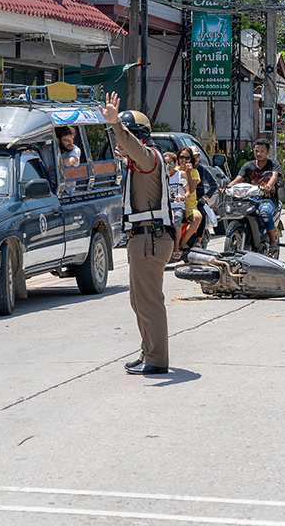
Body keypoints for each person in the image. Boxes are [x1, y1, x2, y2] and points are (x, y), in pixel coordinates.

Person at [100, 92, 174, 376]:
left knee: (149, 302)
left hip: (149, 240)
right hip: (144, 239)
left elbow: (135, 149)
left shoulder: (148, 158)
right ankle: (148, 351)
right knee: (139, 301)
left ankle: (156, 359)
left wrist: (116, 124)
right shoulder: (137, 163)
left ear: (137, 137)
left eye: (125, 139)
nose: (120, 145)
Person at [224, 138, 282, 251]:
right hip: (250, 199)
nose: (259, 153)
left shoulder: (273, 164)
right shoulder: (248, 166)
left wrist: (269, 186)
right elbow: (237, 180)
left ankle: (273, 242)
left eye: (262, 151)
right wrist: (227, 188)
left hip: (267, 199)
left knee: (265, 214)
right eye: (256, 151)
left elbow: (274, 177)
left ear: (267, 152)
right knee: (236, 212)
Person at [177, 146, 202, 251]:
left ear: (191, 159)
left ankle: (183, 242)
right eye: (181, 157)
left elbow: (191, 190)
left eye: (187, 158)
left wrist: (187, 172)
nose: (184, 160)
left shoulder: (194, 172)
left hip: (189, 204)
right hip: (175, 203)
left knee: (198, 218)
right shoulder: (173, 170)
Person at [164, 151, 187, 261]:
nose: (167, 166)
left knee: (176, 221)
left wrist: (182, 197)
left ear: (175, 163)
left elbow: (187, 192)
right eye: (165, 163)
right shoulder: (161, 176)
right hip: (164, 206)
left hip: (177, 206)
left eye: (170, 163)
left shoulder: (181, 174)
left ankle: (176, 247)